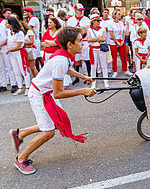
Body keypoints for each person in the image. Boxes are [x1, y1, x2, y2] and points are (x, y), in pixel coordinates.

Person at [9, 27, 96, 175]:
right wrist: (83, 91)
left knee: (56, 122)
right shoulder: (60, 60)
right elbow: (58, 93)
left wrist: (83, 77)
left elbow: (68, 70)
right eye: (80, 41)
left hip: (45, 92)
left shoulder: (64, 56)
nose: (83, 44)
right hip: (40, 94)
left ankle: (20, 133)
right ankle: (21, 158)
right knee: (48, 132)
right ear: (70, 44)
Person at [6, 17, 31, 95]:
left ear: (11, 24)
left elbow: (18, 46)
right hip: (12, 54)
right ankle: (20, 87)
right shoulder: (9, 32)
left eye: (7, 23)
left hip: (19, 53)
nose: (6, 25)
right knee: (16, 71)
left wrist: (9, 49)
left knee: (24, 70)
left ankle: (28, 87)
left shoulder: (19, 33)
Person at [67, 3, 91, 84]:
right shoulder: (71, 20)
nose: (81, 12)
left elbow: (86, 29)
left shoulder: (86, 19)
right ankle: (77, 78)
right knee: (76, 60)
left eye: (82, 11)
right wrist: (81, 29)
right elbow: (70, 30)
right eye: (79, 11)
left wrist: (77, 29)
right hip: (75, 42)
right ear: (75, 11)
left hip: (85, 41)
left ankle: (89, 77)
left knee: (87, 59)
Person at [87, 14, 109, 88]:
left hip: (101, 49)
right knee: (93, 66)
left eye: (99, 20)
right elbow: (88, 39)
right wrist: (97, 38)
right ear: (93, 21)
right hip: (93, 49)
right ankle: (93, 81)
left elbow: (104, 38)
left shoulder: (102, 29)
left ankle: (106, 81)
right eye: (97, 20)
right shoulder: (89, 30)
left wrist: (94, 39)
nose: (99, 22)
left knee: (104, 65)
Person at [108, 10, 132, 77]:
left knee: (124, 56)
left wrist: (123, 40)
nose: (120, 15)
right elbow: (111, 33)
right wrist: (116, 41)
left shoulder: (121, 23)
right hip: (113, 42)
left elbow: (124, 32)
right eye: (118, 14)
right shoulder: (111, 23)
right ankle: (115, 71)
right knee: (114, 57)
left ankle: (125, 69)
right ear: (114, 15)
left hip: (121, 41)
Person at [0, 9, 18, 93]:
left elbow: (7, 37)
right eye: (8, 13)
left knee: (9, 66)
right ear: (3, 14)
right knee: (1, 68)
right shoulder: (2, 23)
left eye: (10, 13)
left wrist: (0, 44)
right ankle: (3, 84)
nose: (9, 14)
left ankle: (14, 83)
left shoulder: (7, 24)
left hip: (5, 47)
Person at [22, 7, 43, 72]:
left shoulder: (33, 19)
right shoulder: (29, 19)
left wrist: (24, 20)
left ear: (29, 12)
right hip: (33, 39)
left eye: (25, 12)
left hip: (34, 40)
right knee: (35, 57)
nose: (24, 14)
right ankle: (38, 71)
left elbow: (28, 27)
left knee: (37, 57)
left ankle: (42, 69)